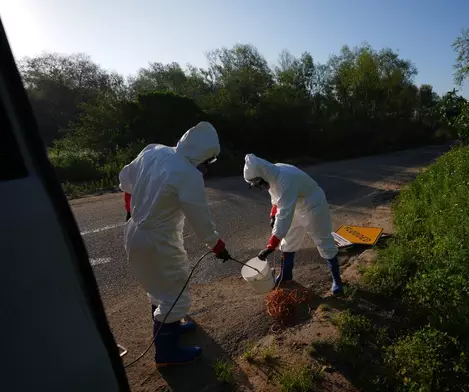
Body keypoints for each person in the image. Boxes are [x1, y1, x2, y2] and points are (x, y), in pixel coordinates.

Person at [119, 121, 232, 368]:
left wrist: (131, 210)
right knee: (176, 294)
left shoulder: (154, 151)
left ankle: (171, 327)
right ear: (202, 156)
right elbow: (200, 218)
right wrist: (217, 246)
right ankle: (166, 353)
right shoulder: (188, 174)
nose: (205, 168)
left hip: (134, 232)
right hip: (158, 241)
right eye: (207, 162)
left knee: (157, 287)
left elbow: (125, 179)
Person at [243, 153, 343, 295]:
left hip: (313, 206)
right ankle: (286, 275)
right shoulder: (272, 176)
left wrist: (271, 246)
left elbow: (284, 214)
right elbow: (276, 199)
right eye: (256, 185)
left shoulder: (285, 179)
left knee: (323, 240)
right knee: (288, 241)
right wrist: (273, 215)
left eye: (258, 183)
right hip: (295, 205)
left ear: (263, 174)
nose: (260, 187)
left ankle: (337, 280)